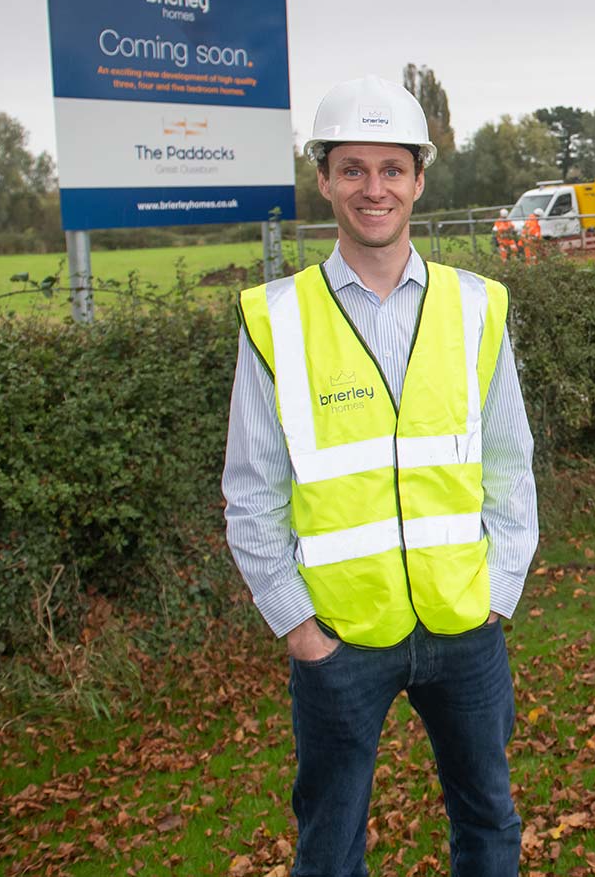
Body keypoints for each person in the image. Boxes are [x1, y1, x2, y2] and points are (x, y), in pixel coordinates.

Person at [221, 75, 538, 876]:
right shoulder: (277, 318)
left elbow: (509, 463)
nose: (374, 188)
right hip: (340, 638)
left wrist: (498, 590)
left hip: (464, 628)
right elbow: (252, 490)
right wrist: (298, 626)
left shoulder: (477, 306)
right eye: (353, 168)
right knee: (328, 847)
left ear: (420, 178)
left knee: (489, 820)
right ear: (323, 179)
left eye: (392, 168)